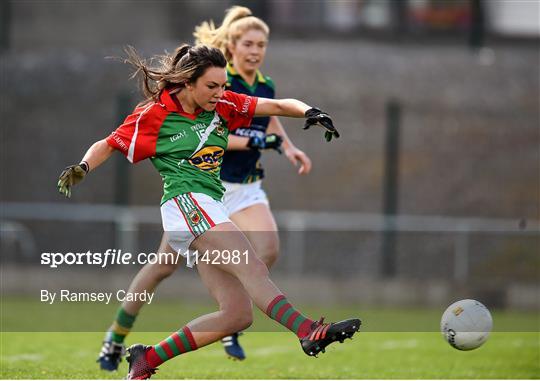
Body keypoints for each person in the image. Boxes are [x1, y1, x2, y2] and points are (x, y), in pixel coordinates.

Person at [57, 44, 359, 380]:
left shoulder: (224, 104)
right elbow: (109, 143)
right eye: (212, 86)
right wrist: (83, 166)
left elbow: (274, 105)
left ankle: (146, 359)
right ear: (188, 83)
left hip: (209, 206)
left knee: (236, 315)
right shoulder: (154, 114)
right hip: (185, 203)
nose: (220, 93)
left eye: (224, 85)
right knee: (251, 264)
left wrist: (309, 112)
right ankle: (306, 330)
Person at [96, 6, 312, 369]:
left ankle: (157, 354)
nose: (255, 50)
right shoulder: (207, 85)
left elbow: (272, 113)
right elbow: (204, 139)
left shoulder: (250, 87)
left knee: (258, 265)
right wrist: (258, 143)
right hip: (194, 195)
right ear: (231, 45)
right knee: (163, 268)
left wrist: (290, 142)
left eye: (262, 44)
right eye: (248, 43)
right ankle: (114, 338)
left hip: (228, 192)